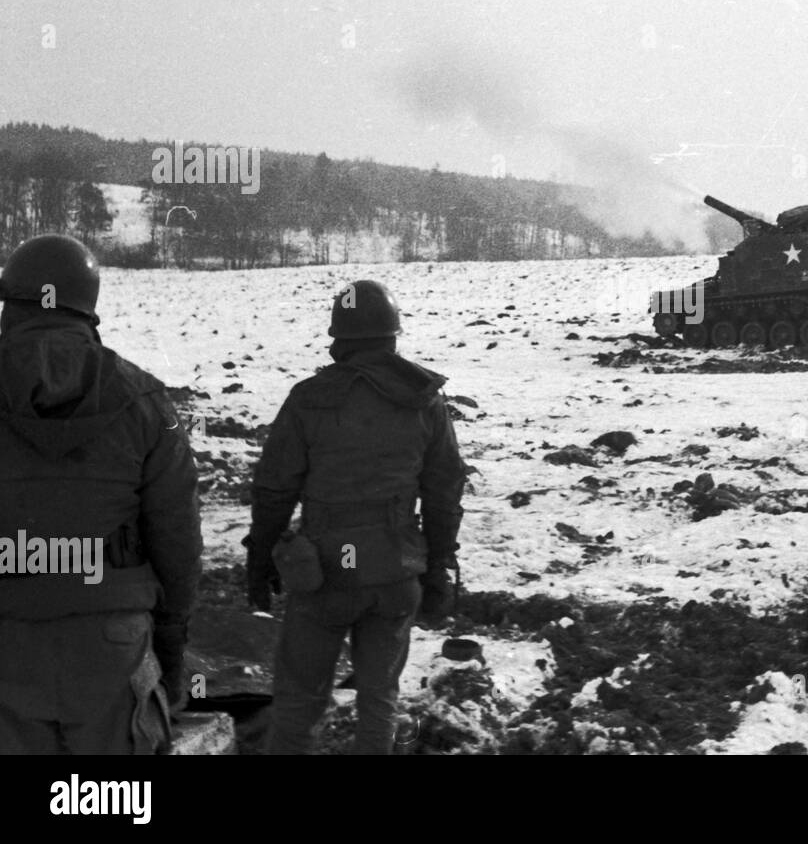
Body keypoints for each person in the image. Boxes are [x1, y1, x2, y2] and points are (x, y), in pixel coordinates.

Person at [0, 234, 201, 754]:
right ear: (86, 306)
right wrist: (173, 646)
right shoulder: (146, 401)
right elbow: (177, 537)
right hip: (112, 641)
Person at [247, 279, 467, 754]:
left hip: (324, 574)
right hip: (396, 571)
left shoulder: (309, 397)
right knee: (380, 700)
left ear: (338, 339)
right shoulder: (425, 399)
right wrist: (438, 567)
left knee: (300, 703)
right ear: (392, 336)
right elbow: (444, 493)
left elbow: (273, 489)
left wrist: (259, 560)